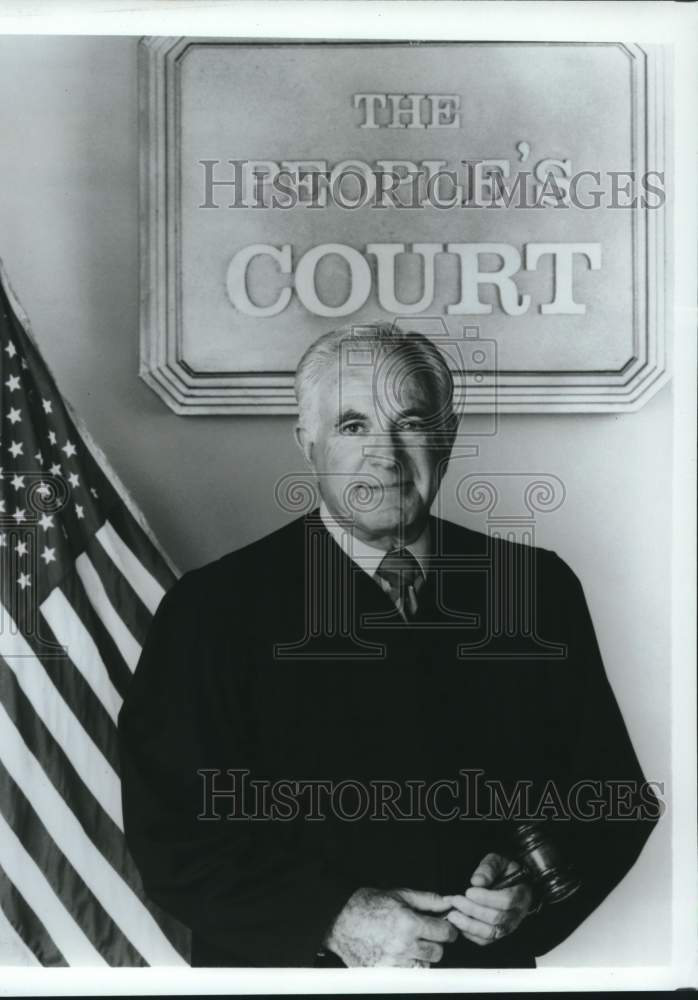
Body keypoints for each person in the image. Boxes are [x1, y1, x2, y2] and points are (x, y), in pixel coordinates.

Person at [118, 323, 659, 968]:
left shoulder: (535, 591)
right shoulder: (212, 610)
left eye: (411, 424)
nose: (386, 455)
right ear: (307, 443)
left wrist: (530, 893)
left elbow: (613, 800)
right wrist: (332, 918)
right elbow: (171, 836)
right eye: (353, 426)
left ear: (448, 437)